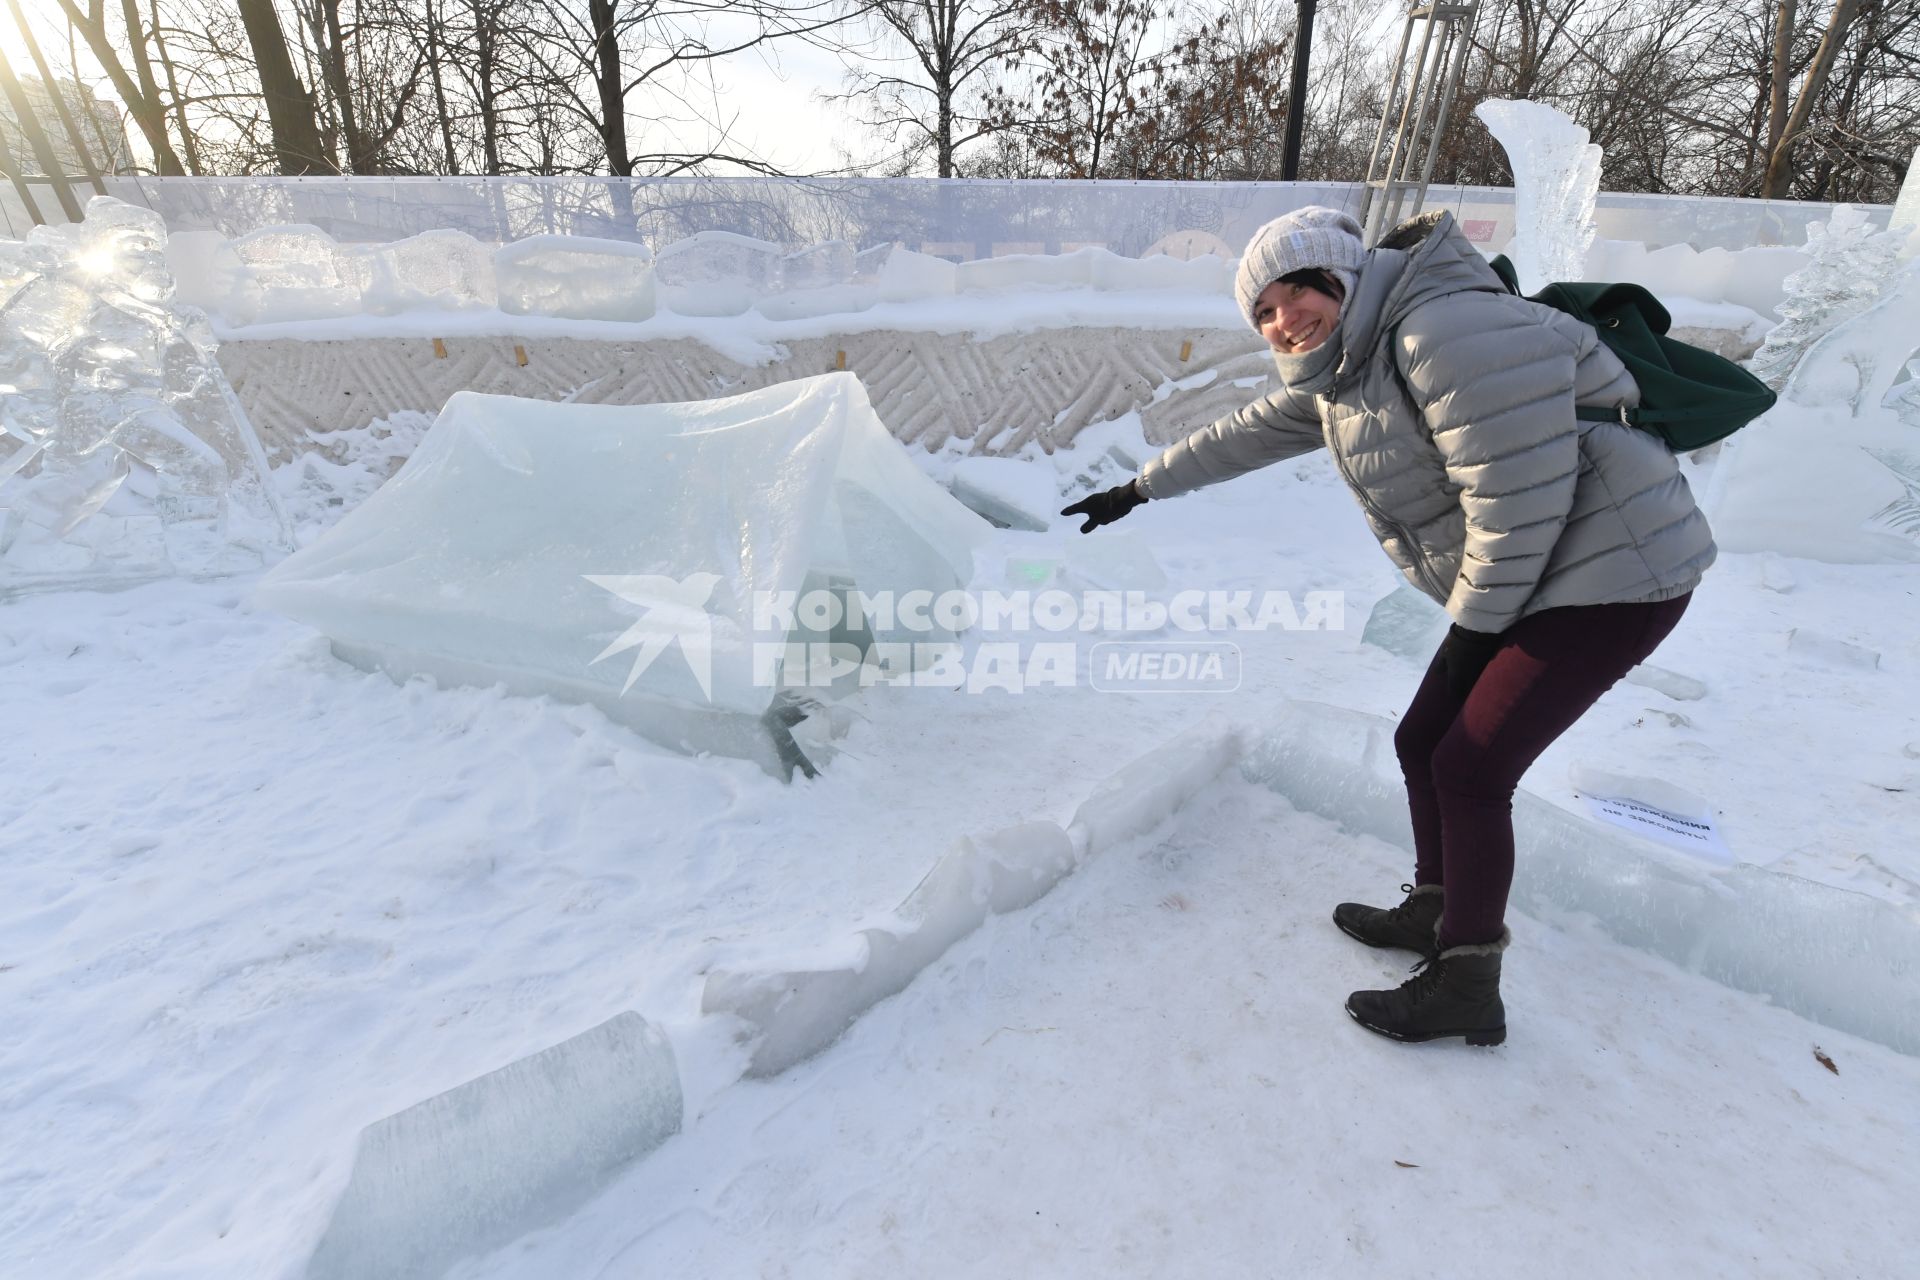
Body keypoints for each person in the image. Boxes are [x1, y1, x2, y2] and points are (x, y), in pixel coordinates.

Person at [1062, 206, 1713, 1047]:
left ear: (1342, 276)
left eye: (1297, 292)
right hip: (1542, 577)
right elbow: (1248, 433)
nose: (1282, 320)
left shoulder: (1442, 332)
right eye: (1262, 311)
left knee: (1472, 769)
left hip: (1617, 574)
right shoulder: (1355, 365)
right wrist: (1139, 488)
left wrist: (1477, 631)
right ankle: (1440, 912)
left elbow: (1518, 509)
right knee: (1423, 742)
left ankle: (1467, 985)